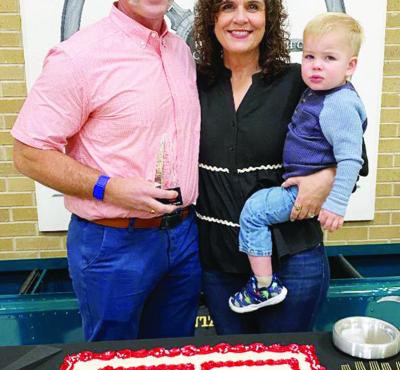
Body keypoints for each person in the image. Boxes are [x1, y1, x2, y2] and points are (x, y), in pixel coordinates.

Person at [12, 0, 201, 341]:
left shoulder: (180, 52)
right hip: (113, 243)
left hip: (184, 235)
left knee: (174, 359)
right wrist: (108, 188)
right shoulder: (79, 57)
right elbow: (28, 153)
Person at [194, 0, 367, 334]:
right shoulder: (195, 82)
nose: (240, 18)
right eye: (228, 6)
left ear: (268, 17)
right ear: (211, 17)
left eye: (253, 6)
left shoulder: (301, 80)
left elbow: (354, 155)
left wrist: (326, 179)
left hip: (293, 261)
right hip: (218, 264)